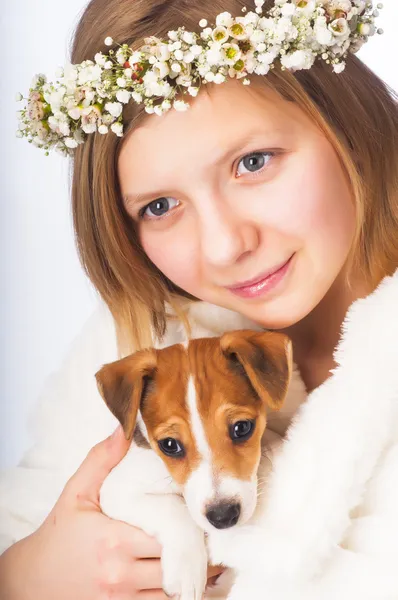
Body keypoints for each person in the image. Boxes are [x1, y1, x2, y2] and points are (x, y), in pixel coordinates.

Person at [1, 0, 398, 598]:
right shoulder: (144, 341)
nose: (222, 247)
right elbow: (21, 520)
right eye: (159, 206)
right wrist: (28, 576)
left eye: (253, 162)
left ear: (349, 124)